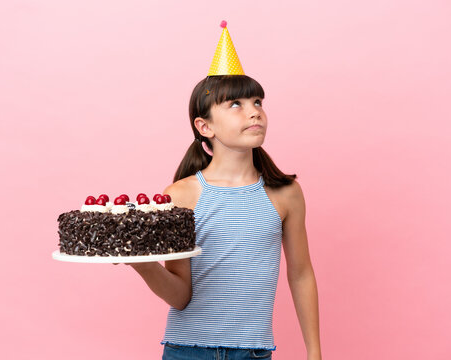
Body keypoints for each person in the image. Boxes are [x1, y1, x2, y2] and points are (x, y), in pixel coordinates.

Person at [123, 22, 322, 360]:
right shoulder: (179, 197)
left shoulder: (285, 194)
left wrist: (314, 354)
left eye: (257, 101)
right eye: (236, 105)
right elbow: (180, 294)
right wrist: (141, 264)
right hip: (187, 351)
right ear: (205, 126)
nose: (254, 110)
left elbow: (301, 274)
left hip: (253, 353)